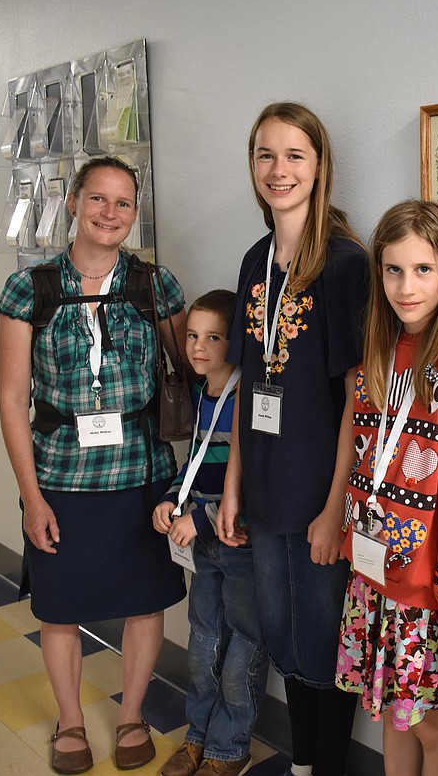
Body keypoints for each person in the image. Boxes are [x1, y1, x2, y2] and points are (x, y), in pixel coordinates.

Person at [0, 156, 187, 775]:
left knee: (143, 602)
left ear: (135, 212)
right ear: (75, 201)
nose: (110, 213)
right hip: (60, 476)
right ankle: (71, 721)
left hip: (142, 476)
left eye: (124, 203)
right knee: (60, 607)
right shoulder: (30, 288)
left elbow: (192, 371)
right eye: (98, 199)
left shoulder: (155, 286)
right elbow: (10, 396)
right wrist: (31, 498)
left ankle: (131, 714)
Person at [216, 102, 369, 776]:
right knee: (287, 644)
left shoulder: (344, 265)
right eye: (266, 155)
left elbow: (358, 398)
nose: (279, 170)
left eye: (294, 155)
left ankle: (325, 767)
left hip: (317, 494)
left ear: (320, 166)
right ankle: (304, 765)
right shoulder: (255, 260)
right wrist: (230, 485)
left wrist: (336, 506)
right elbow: (250, 381)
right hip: (264, 488)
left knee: (326, 645)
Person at [336, 201, 438, 776]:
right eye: (393, 271)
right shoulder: (380, 354)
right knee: (391, 712)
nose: (406, 287)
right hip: (373, 574)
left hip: (428, 592)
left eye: (423, 270)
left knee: (431, 722)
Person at [153, 290, 267, 776]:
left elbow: (256, 483)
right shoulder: (202, 394)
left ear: (235, 341)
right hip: (203, 545)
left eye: (213, 337)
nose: (198, 347)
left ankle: (229, 745)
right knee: (201, 646)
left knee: (242, 649)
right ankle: (197, 736)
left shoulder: (249, 398)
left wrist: (197, 517)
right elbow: (196, 463)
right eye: (192, 336)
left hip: (240, 547)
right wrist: (171, 499)